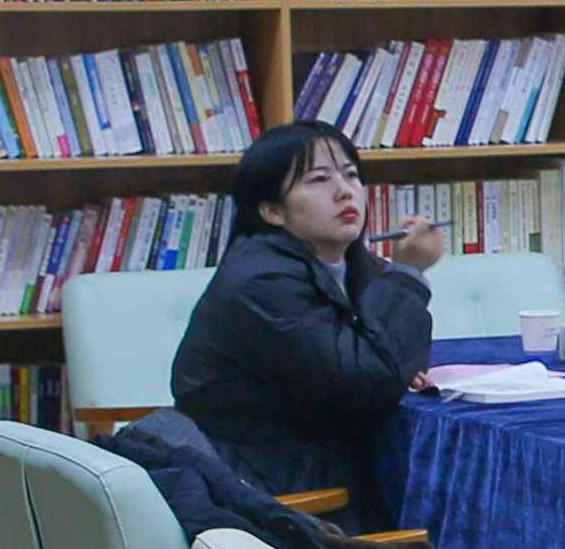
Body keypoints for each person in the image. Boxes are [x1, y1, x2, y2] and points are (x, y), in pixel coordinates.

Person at [171, 121, 443, 518]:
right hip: (268, 488)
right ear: (272, 211)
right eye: (318, 179)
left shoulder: (356, 265)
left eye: (351, 175)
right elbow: (371, 378)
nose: (344, 191)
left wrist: (393, 359)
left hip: (326, 458)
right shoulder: (262, 282)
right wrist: (409, 274)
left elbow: (391, 356)